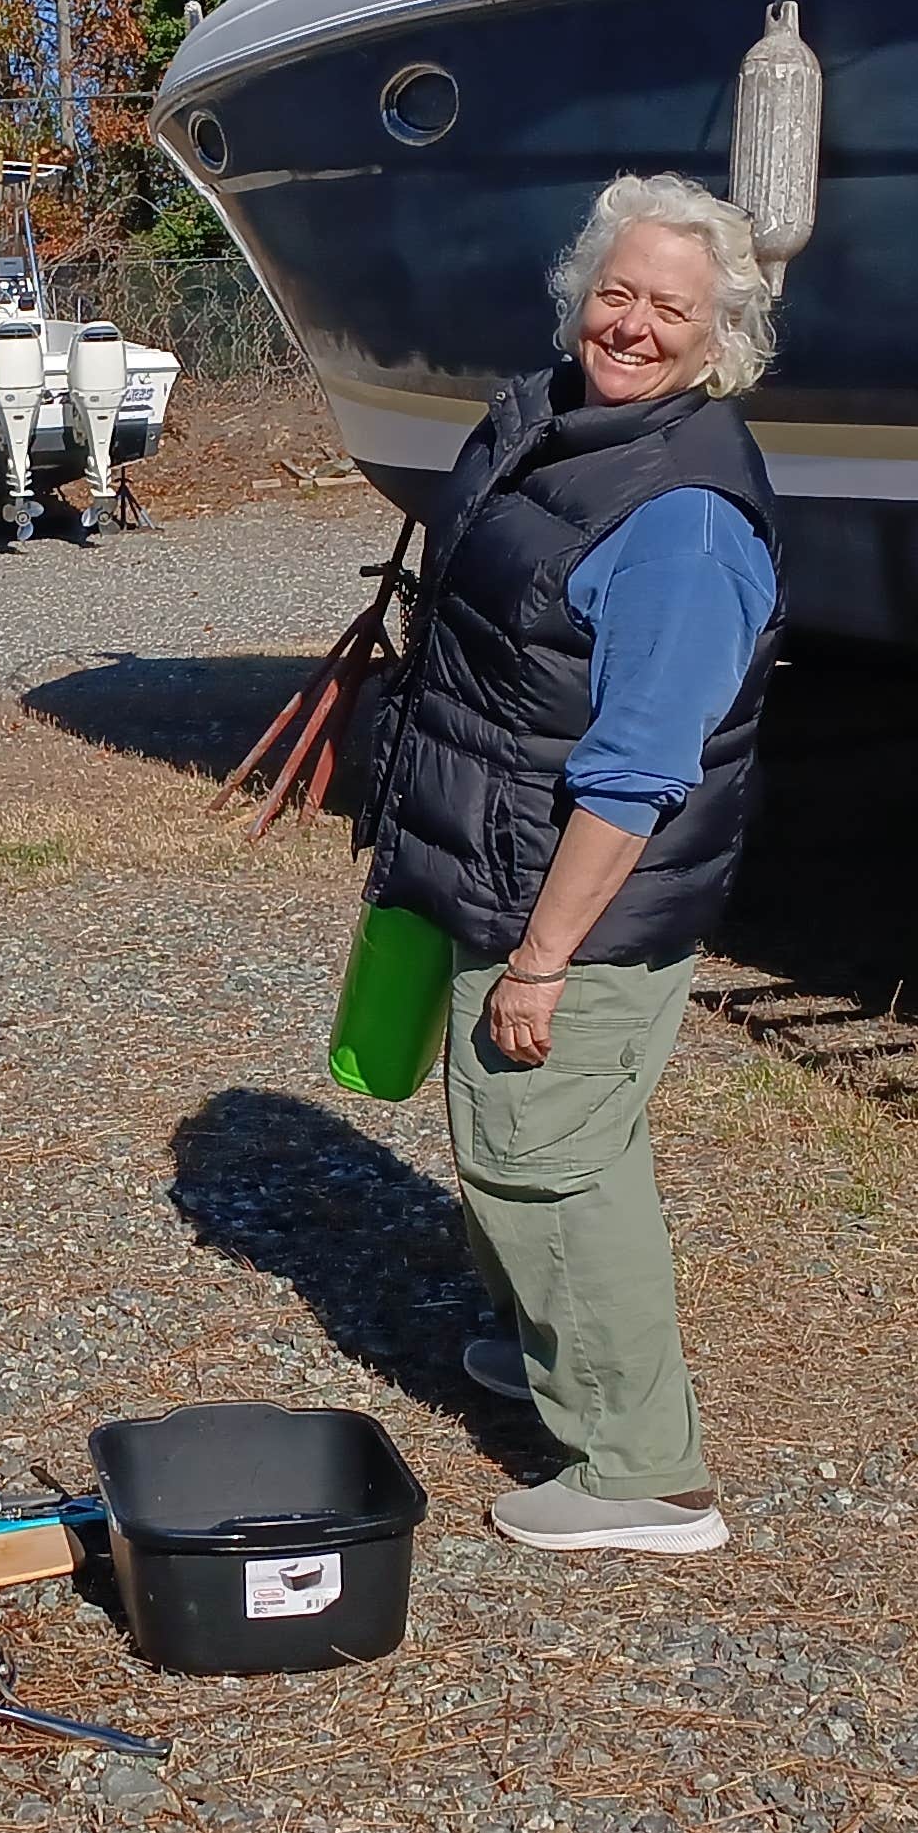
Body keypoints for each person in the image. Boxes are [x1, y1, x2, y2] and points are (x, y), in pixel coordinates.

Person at [359, 172, 785, 1557]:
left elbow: (639, 773)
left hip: (575, 900)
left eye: (673, 308)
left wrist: (543, 961)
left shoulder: (682, 520)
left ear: (720, 341)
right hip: (492, 853)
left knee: (553, 1160)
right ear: (579, 292)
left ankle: (639, 1474)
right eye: (618, 291)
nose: (635, 324)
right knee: (519, 1142)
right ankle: (552, 1351)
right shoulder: (556, 418)